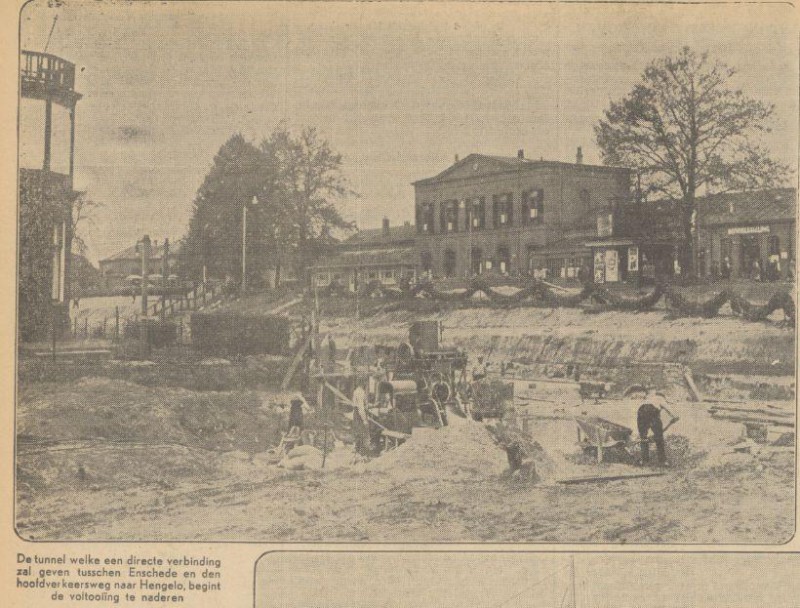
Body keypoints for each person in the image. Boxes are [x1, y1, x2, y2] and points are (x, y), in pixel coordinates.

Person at [637, 389, 667, 466]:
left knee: (643, 437)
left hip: (641, 411)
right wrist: (675, 416)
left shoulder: (645, 399)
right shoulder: (659, 398)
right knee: (659, 438)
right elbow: (668, 408)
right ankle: (663, 461)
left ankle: (645, 461)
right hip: (652, 411)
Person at [351, 382, 370, 456]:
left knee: (357, 432)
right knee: (362, 432)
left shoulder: (356, 390)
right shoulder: (361, 392)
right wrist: (364, 420)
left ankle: (357, 450)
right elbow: (361, 408)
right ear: (363, 384)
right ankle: (362, 453)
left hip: (355, 413)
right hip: (359, 414)